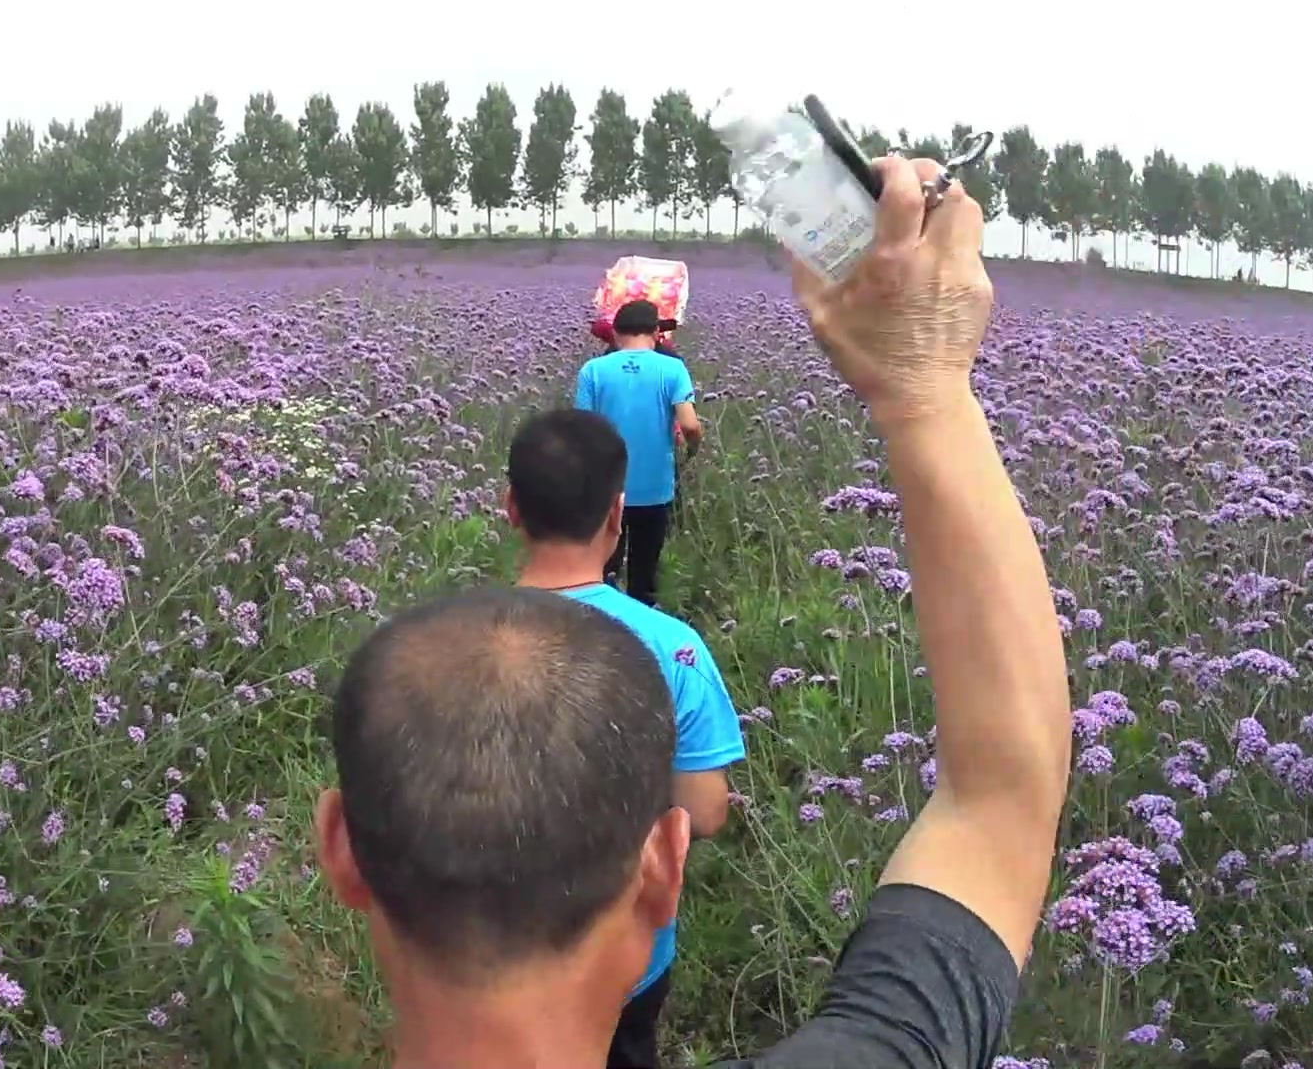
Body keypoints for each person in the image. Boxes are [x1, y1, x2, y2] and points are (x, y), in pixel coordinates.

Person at [314, 156, 1074, 1068]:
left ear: (343, 847)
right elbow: (1001, 803)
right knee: (650, 569)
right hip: (654, 503)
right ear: (660, 869)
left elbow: (1001, 808)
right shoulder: (675, 644)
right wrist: (925, 389)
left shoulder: (592, 381)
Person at [503, 407, 746, 1068]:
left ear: (510, 509)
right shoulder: (675, 650)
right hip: (625, 955)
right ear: (617, 513)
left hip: (483, 959)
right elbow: (704, 812)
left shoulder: (446, 645)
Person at [573, 299, 703, 607]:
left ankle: (603, 630)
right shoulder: (672, 369)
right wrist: (691, 451)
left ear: (615, 334)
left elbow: (581, 428)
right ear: (657, 333)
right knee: (645, 574)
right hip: (655, 489)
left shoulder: (593, 370)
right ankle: (641, 632)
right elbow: (691, 426)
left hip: (606, 490)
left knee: (603, 571)